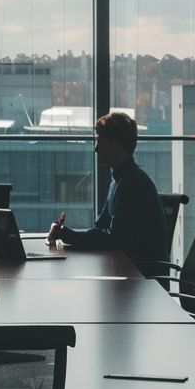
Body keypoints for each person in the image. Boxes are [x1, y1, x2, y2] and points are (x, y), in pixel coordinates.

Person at [47, 111, 169, 278]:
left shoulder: (131, 185)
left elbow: (116, 240)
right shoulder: (121, 180)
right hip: (131, 273)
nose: (96, 148)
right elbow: (102, 228)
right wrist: (68, 234)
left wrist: (69, 236)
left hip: (141, 280)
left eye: (100, 142)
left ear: (117, 146)